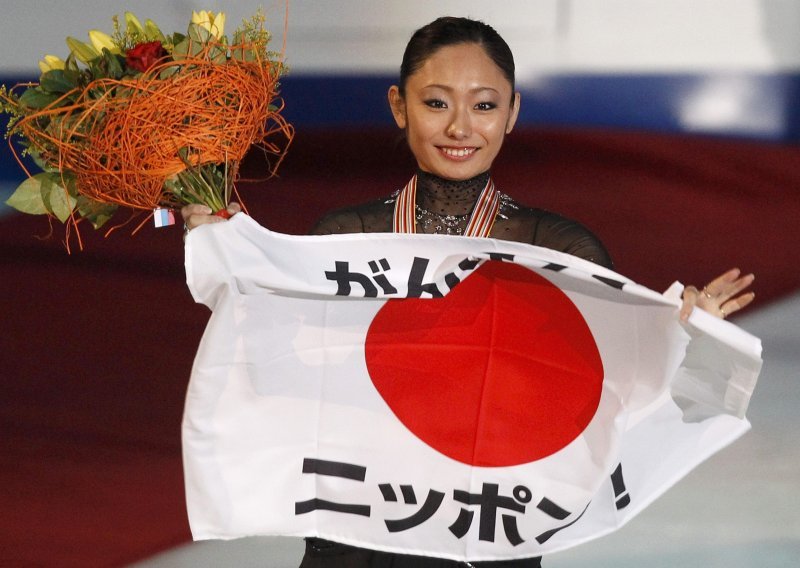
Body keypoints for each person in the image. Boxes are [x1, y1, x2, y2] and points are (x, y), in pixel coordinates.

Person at [182, 16, 755, 567]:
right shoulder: (343, 238)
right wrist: (223, 252)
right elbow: (276, 368)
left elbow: (620, 399)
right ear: (397, 106)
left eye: (484, 105)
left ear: (512, 113)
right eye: (436, 103)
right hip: (357, 539)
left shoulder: (556, 250)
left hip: (485, 536)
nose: (461, 127)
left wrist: (683, 333)